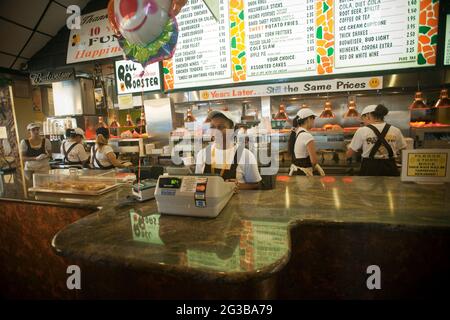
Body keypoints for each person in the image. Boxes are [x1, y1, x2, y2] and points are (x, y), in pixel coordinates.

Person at [195, 110, 262, 190]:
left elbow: (256, 185)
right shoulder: (202, 154)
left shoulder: (246, 155)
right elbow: (197, 182)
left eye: (221, 127)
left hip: (236, 202)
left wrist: (239, 186)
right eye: (212, 127)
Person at [346, 104, 407, 176]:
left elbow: (349, 154)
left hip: (369, 168)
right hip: (390, 167)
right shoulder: (395, 130)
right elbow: (404, 150)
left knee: (368, 187)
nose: (363, 121)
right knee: (390, 186)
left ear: (368, 115)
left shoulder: (362, 130)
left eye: (363, 118)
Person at [288, 108, 325, 176]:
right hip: (304, 174)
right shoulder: (307, 136)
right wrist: (315, 166)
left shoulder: (297, 133)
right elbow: (314, 161)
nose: (314, 121)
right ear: (308, 119)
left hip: (297, 172)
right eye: (313, 118)